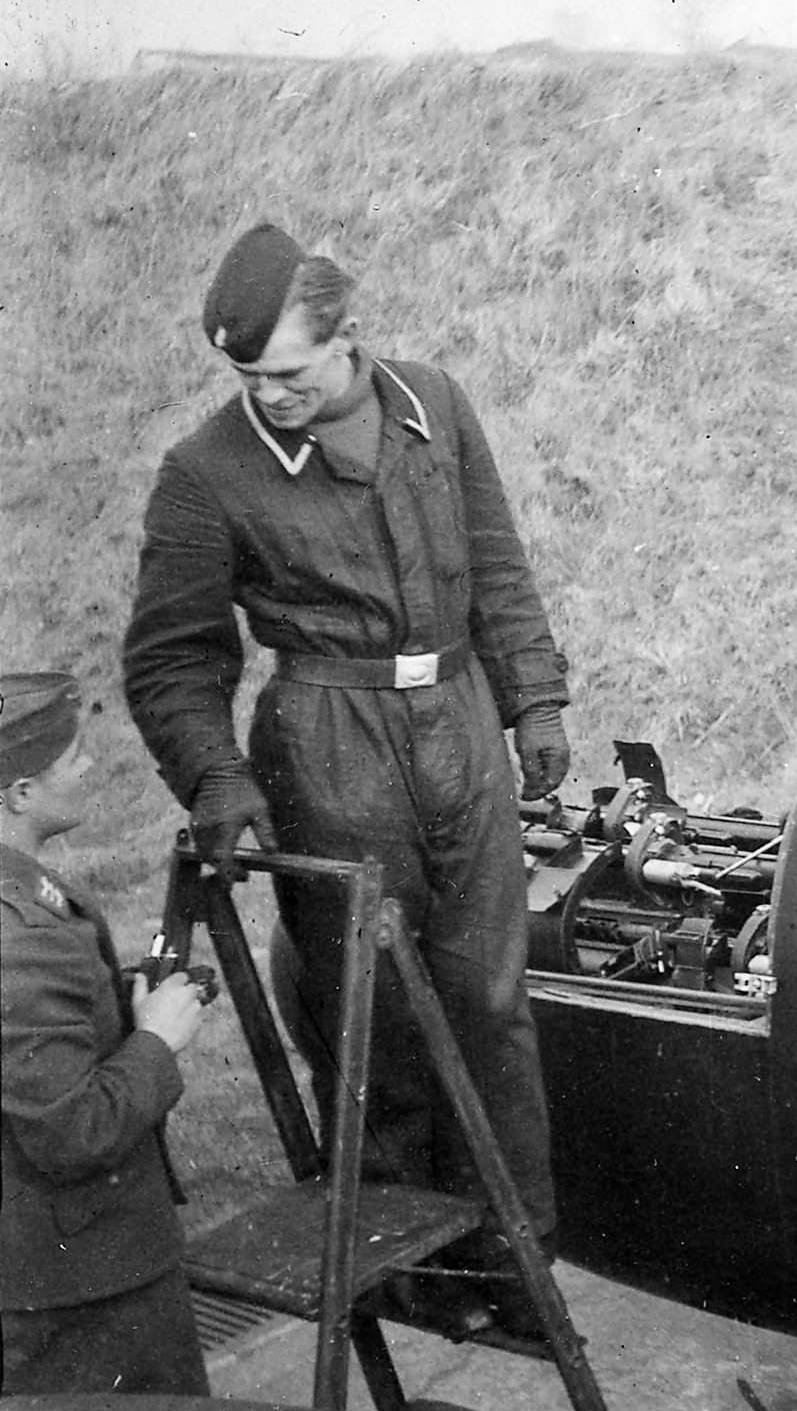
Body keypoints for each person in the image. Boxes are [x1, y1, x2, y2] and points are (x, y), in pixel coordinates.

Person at [122, 221, 572, 1334]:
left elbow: (496, 562)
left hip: (460, 725)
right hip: (329, 749)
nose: (267, 397)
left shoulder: (434, 405)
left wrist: (534, 698)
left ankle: (514, 1268)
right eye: (248, 379)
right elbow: (172, 659)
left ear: (348, 336)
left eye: (288, 373)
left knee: (493, 1006)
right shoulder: (205, 473)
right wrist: (217, 777)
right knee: (372, 1021)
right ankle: (407, 1277)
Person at [2, 671, 214, 1397]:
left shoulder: (24, 900)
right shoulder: (21, 938)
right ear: (20, 794)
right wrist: (155, 1039)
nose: (90, 764)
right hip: (84, 1286)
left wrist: (111, 1004)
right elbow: (72, 1132)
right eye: (71, 758)